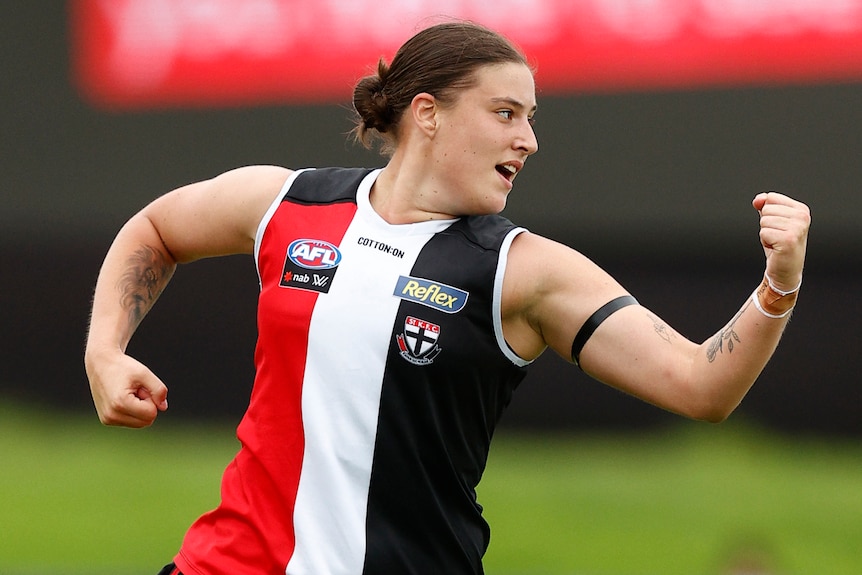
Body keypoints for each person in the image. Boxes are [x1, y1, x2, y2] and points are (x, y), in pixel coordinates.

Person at [84, 21, 810, 575]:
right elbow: (157, 228)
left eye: (531, 118)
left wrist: (780, 284)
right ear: (427, 114)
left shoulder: (522, 272)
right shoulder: (287, 203)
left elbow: (700, 384)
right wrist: (104, 352)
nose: (527, 139)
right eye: (505, 113)